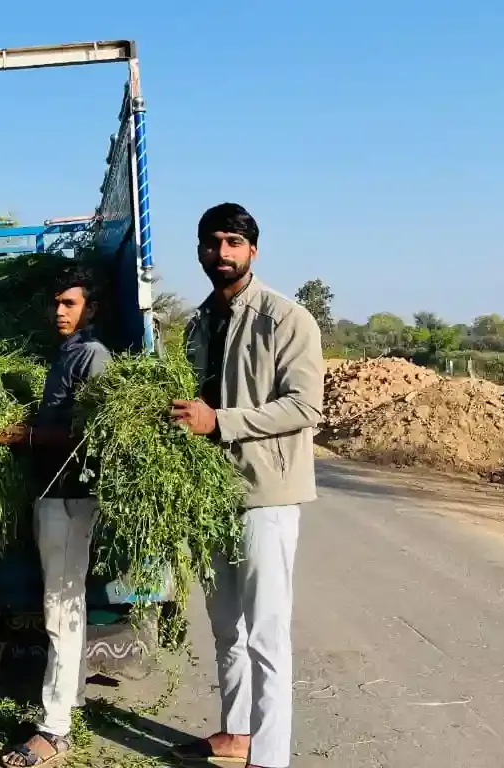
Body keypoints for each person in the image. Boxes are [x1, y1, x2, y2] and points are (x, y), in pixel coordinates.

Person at [169, 203, 324, 768]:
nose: (222, 254)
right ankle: (237, 734)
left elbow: (305, 405)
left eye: (234, 242)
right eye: (213, 243)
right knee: (224, 625)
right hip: (212, 494)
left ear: (253, 250)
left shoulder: (286, 319)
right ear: (201, 251)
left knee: (266, 632)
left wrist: (222, 422)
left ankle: (271, 756)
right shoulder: (196, 322)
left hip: (266, 493)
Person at [0, 266, 112, 767]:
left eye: (70, 303)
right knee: (68, 605)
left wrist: (29, 439)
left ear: (90, 309)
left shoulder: (92, 357)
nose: (60, 312)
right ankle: (72, 698)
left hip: (70, 497)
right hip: (53, 493)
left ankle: (54, 728)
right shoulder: (66, 355)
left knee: (60, 610)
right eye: (57, 303)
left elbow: (97, 433)